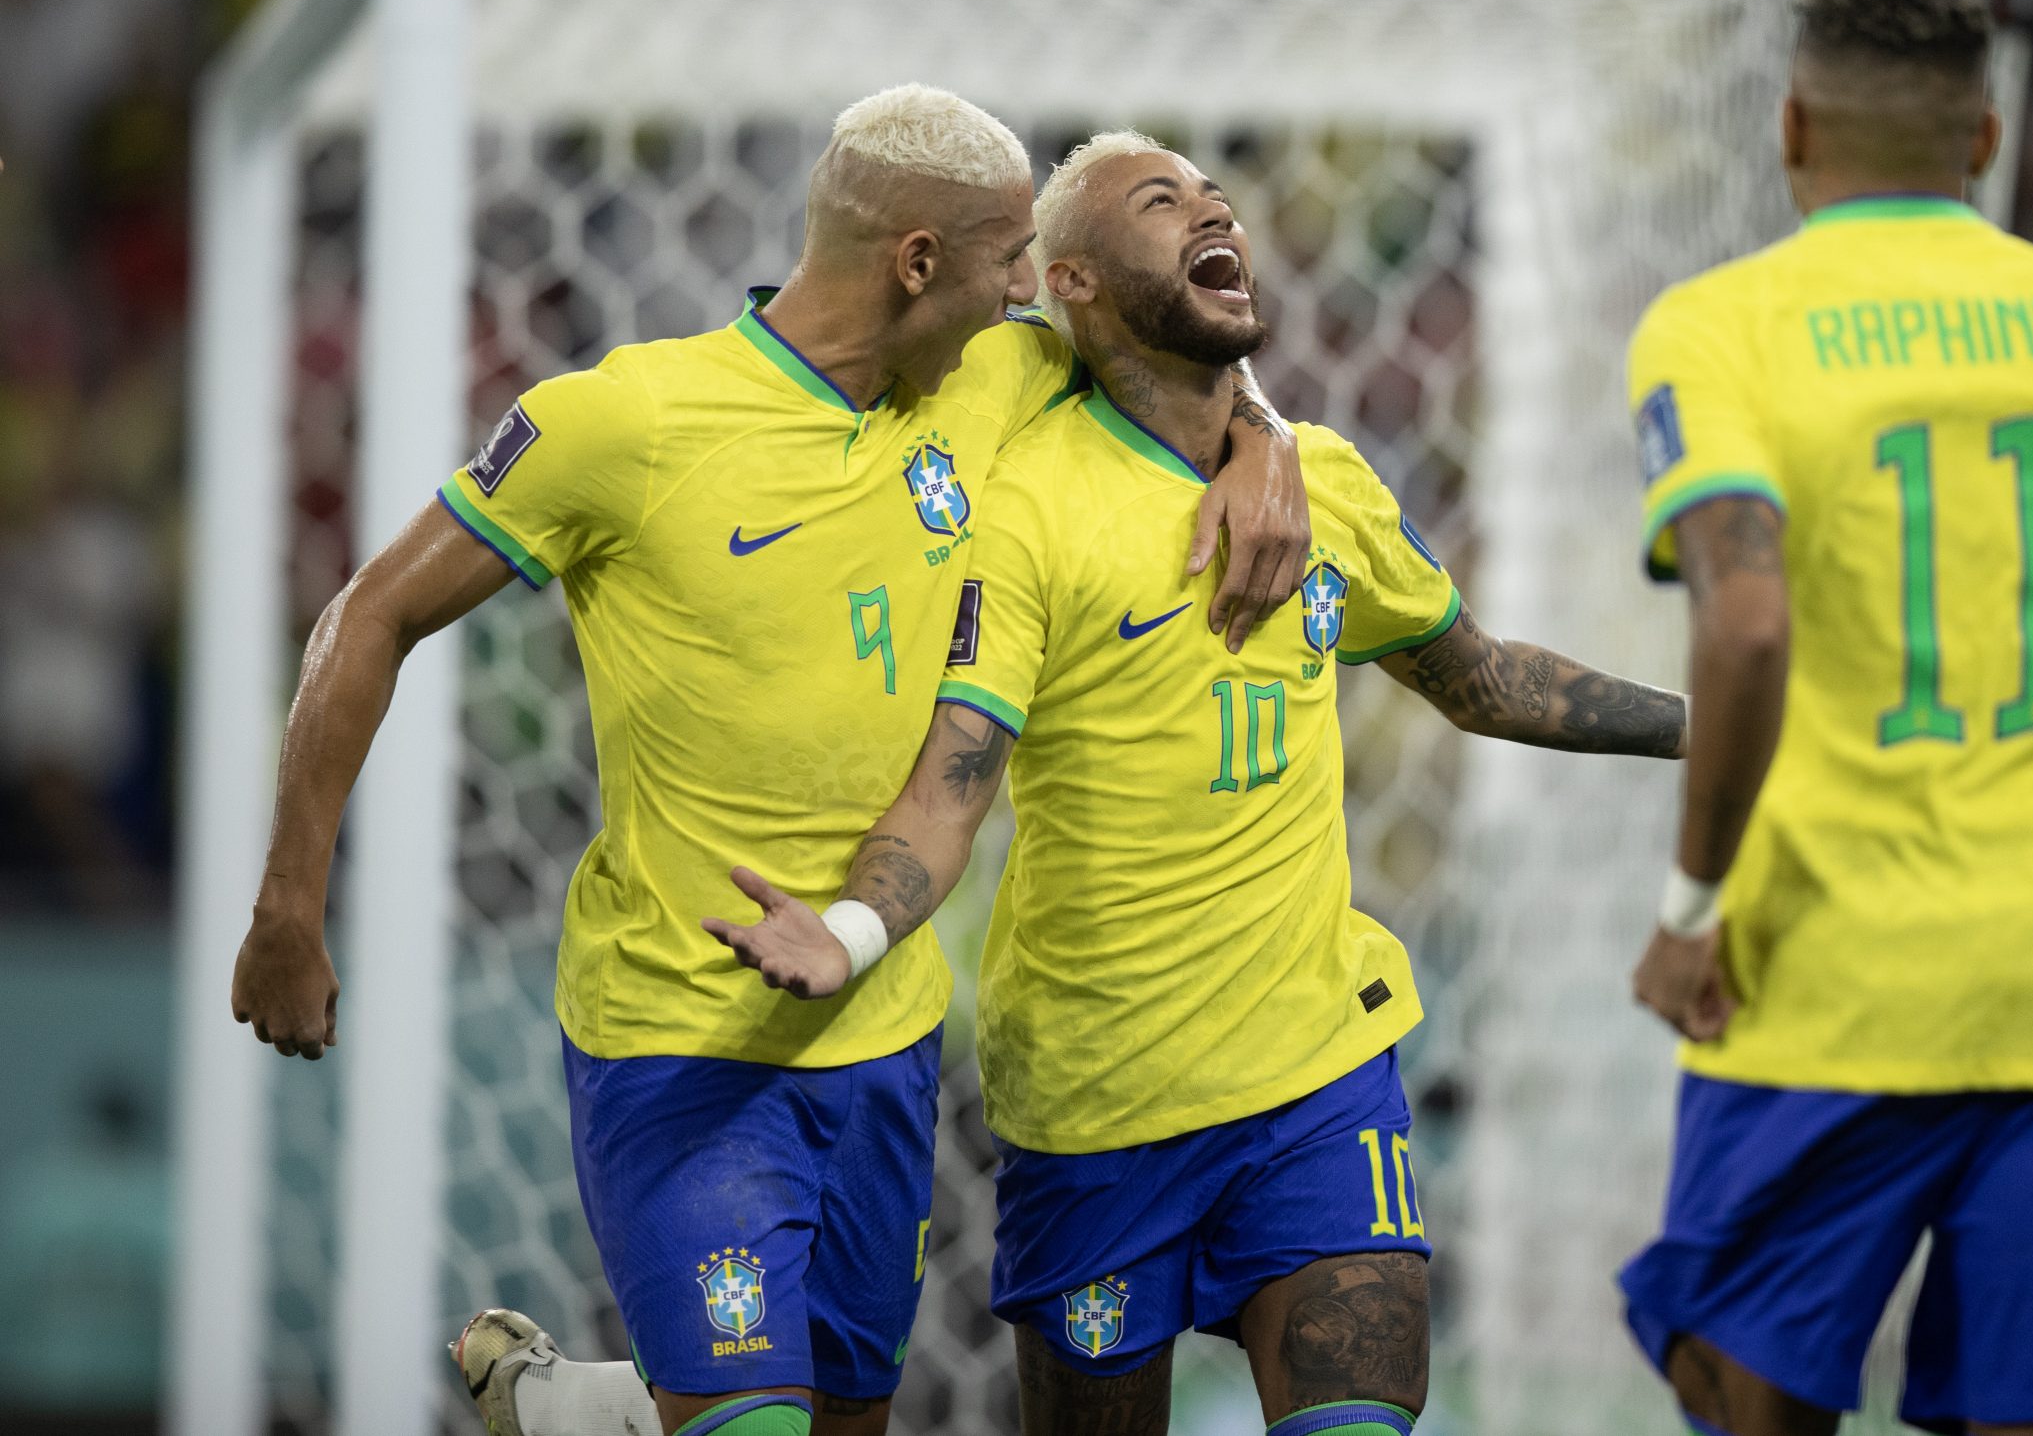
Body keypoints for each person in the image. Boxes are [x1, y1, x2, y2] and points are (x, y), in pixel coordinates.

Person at [226, 86, 1314, 1436]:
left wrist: (1266, 442)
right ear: (919, 263)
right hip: (681, 1043)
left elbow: (1182, 336)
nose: (1028, 296)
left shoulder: (994, 375)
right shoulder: (626, 426)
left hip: (882, 1040)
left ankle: (601, 1418)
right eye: (1003, 265)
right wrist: (287, 903)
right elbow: (370, 612)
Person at [699, 133, 1690, 1436]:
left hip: (1319, 1082)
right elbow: (955, 781)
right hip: (1099, 1105)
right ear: (1076, 283)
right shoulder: (1029, 503)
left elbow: (1482, 678)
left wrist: (1718, 728)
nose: (1211, 210)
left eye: (1216, 199)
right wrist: (852, 930)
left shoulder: (1322, 478)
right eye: (1160, 204)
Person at [1616, 0, 2033, 1436]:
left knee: (1735, 1389)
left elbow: (1745, 619)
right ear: (1984, 141)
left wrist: (1690, 911)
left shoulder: (1721, 329)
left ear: (1791, 129)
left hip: (1826, 992)